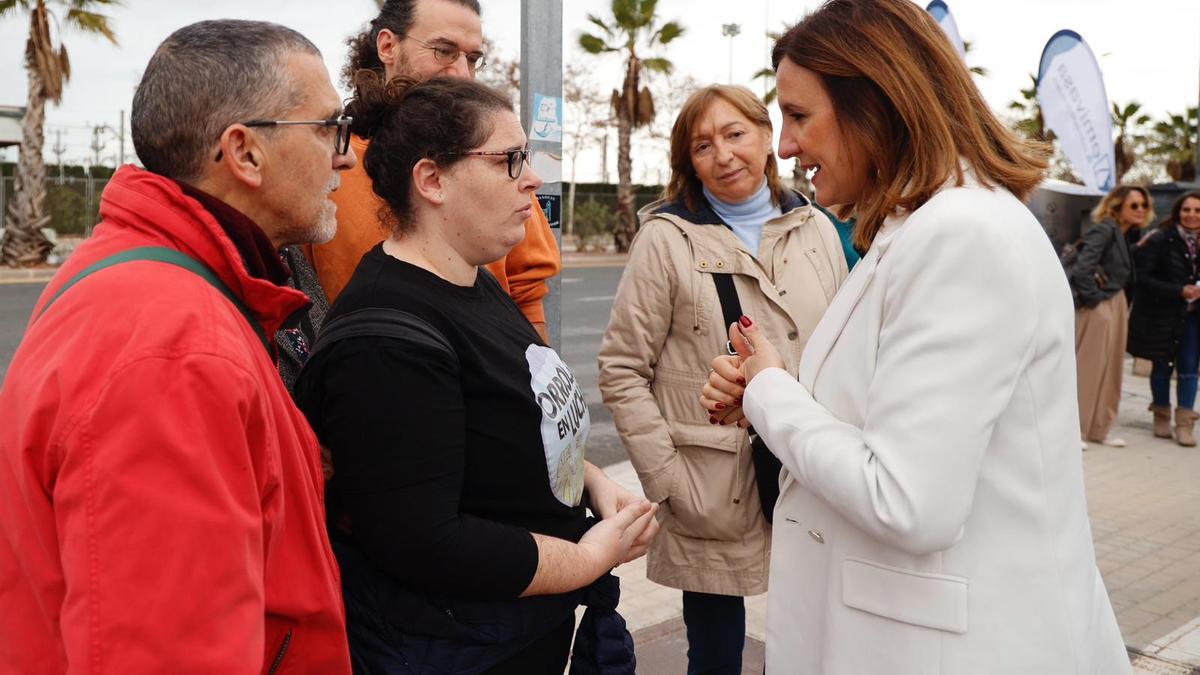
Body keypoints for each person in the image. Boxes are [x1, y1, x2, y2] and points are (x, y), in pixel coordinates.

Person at [699, 1, 1130, 673]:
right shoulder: (930, 227)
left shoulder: (962, 236)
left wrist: (769, 392)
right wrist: (771, 384)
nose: (785, 145)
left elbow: (907, 499)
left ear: (877, 102)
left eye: (799, 116)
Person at [0, 20, 355, 674]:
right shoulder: (174, 348)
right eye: (330, 127)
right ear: (244, 152)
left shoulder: (155, 286)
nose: (347, 155)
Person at [293, 73, 657, 674]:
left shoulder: (474, 278)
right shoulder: (388, 341)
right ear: (432, 180)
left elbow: (507, 425)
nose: (533, 178)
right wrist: (590, 557)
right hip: (456, 647)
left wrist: (592, 482)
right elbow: (428, 542)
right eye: (510, 160)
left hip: (517, 634)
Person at [598, 84, 847, 675]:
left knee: (814, 626)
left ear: (767, 138)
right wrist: (667, 477)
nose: (724, 154)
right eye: (703, 144)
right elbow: (623, 368)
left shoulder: (816, 227)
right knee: (714, 650)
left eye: (735, 134)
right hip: (709, 482)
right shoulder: (666, 238)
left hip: (810, 467)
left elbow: (843, 344)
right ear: (689, 160)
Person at [278, 0, 560, 389]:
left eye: (474, 58)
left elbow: (528, 293)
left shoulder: (505, 169)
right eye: (444, 51)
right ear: (387, 46)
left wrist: (538, 410)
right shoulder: (332, 164)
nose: (462, 73)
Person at [1073, 184, 1148, 449]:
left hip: (1115, 301)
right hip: (1100, 304)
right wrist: (1095, 301)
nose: (1141, 210)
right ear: (1117, 207)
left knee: (1111, 369)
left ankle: (1099, 429)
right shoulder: (1105, 229)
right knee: (1089, 367)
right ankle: (1076, 431)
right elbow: (1083, 268)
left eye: (1144, 205)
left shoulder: (1125, 234)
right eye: (1134, 205)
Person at [1128, 191, 1200, 445]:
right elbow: (1143, 278)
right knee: (1162, 364)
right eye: (1186, 210)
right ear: (1178, 212)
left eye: (1197, 210)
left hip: (1193, 318)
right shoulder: (1161, 238)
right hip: (1163, 314)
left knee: (1190, 368)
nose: (1191, 215)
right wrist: (1179, 291)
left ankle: (1184, 423)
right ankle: (1161, 413)